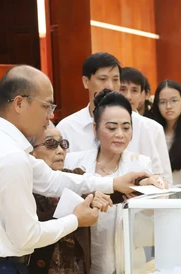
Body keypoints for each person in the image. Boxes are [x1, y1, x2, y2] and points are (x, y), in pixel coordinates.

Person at [0, 65, 146, 274]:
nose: (50, 116)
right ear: (20, 103)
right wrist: (76, 220)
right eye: (47, 106)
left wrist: (111, 183)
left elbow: (51, 180)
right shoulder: (10, 156)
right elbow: (27, 237)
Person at [66, 89, 161, 274]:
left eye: (126, 128)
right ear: (95, 128)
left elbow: (152, 216)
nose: (120, 135)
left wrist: (156, 189)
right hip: (83, 268)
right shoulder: (74, 163)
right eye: (111, 128)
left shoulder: (140, 165)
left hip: (128, 267)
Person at [57, 55, 173, 184]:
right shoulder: (67, 128)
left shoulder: (145, 126)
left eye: (116, 79)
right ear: (86, 81)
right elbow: (58, 179)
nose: (110, 86)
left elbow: (162, 179)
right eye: (102, 79)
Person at [27, 124, 99, 274]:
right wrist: (76, 211)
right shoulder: (25, 184)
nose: (60, 150)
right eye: (51, 144)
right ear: (31, 152)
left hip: (76, 273)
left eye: (63, 144)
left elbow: (105, 190)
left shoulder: (75, 176)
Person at [119, 67, 173, 185]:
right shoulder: (104, 123)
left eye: (134, 90)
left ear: (143, 94)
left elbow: (165, 176)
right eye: (122, 89)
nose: (128, 96)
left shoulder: (154, 128)